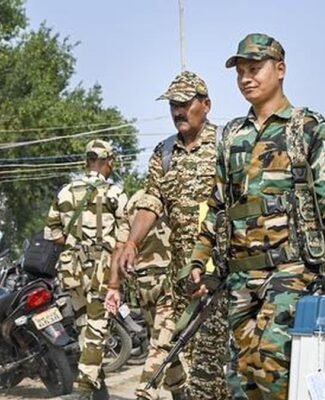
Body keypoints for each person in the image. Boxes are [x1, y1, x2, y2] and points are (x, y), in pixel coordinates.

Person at [186, 33, 325, 400]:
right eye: (240, 72)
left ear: (280, 70)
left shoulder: (307, 127)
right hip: (240, 274)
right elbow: (218, 205)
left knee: (273, 367)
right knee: (242, 379)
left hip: (291, 270)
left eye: (255, 69)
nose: (246, 78)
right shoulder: (232, 135)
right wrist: (199, 260)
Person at [105, 71, 229, 400]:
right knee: (180, 358)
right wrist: (132, 242)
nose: (178, 111)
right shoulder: (164, 153)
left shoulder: (227, 145)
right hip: (181, 279)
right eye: (173, 105)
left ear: (206, 105)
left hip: (222, 279)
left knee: (215, 368)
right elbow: (152, 200)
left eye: (185, 104)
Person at [45, 139, 128, 400]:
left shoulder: (65, 192)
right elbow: (125, 236)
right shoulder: (114, 193)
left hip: (71, 269)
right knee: (97, 328)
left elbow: (52, 232)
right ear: (108, 161)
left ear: (86, 161)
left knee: (84, 326)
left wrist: (74, 243)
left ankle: (98, 391)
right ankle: (84, 390)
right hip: (102, 269)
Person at [123, 189, 187, 400]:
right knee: (162, 342)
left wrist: (115, 283)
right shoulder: (173, 194)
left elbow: (121, 244)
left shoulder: (132, 202)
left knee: (164, 337)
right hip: (169, 278)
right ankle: (146, 391)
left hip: (143, 282)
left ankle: (179, 392)